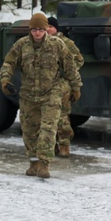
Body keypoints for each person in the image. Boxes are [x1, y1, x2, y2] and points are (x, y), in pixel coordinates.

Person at [0, 13, 81, 178]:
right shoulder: (21, 45)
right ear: (30, 29)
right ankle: (33, 163)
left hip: (51, 93)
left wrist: (76, 86)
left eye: (41, 29)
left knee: (48, 129)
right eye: (35, 29)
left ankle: (44, 164)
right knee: (29, 131)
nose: (37, 33)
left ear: (45, 29)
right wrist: (5, 79)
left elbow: (70, 66)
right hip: (28, 95)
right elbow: (9, 62)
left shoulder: (57, 44)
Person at [46, 16, 84, 157]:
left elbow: (79, 60)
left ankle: (64, 146)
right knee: (47, 118)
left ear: (56, 28)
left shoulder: (66, 43)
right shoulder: (40, 42)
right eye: (46, 27)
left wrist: (64, 71)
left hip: (62, 85)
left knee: (61, 117)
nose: (48, 29)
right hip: (45, 86)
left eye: (51, 26)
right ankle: (51, 146)